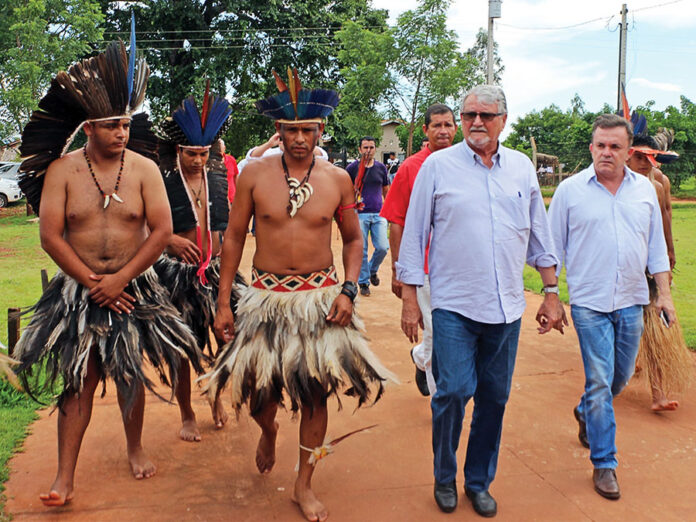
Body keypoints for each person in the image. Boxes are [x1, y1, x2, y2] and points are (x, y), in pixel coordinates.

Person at [203, 69, 396, 522]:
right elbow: (233, 237)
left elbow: (352, 240)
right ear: (279, 131)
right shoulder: (252, 174)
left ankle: (303, 483)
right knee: (258, 397)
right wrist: (223, 300)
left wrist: (350, 289)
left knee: (316, 395)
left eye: (308, 130)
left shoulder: (337, 180)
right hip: (265, 300)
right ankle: (268, 431)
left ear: (320, 131)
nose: (299, 139)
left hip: (319, 301)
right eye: (291, 130)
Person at [14, 37, 199, 506]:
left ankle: (135, 447)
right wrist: (94, 282)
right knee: (80, 377)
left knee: (129, 370)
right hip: (78, 292)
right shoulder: (61, 171)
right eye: (113, 125)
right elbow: (51, 236)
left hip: (134, 285)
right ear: (89, 127)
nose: (122, 132)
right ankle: (64, 477)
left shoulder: (143, 169)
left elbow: (161, 231)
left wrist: (120, 279)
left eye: (125, 124)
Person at [398, 85, 566, 517]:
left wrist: (550, 293)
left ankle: (478, 481)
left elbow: (539, 235)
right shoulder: (438, 167)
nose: (475, 122)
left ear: (503, 121)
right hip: (453, 304)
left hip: (507, 307)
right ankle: (443, 475)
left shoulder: (522, 169)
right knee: (453, 391)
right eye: (469, 113)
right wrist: (410, 300)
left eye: (486, 116)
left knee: (494, 397)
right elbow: (414, 236)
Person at [548, 113, 676, 500]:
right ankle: (605, 463)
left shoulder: (644, 191)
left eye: (615, 146)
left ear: (628, 150)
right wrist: (551, 295)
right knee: (601, 381)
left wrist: (664, 295)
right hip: (589, 302)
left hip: (633, 300)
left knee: (618, 378)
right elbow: (552, 248)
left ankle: (586, 412)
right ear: (591, 148)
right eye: (600, 145)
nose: (606, 152)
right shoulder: (570, 192)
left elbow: (655, 247)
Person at [154, 89, 245, 441]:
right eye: (191, 153)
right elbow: (144, 228)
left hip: (218, 272)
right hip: (177, 277)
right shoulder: (164, 181)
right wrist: (170, 240)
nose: (197, 160)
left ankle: (215, 399)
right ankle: (187, 414)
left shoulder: (218, 177)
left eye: (203, 153)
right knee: (182, 348)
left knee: (225, 339)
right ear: (179, 150)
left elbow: (230, 229)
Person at [381, 103, 458, 397]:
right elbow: (397, 222)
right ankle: (443, 401)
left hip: (458, 267)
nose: (443, 131)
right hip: (424, 266)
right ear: (425, 130)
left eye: (448, 125)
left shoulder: (464, 163)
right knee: (439, 333)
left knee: (452, 332)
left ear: (456, 128)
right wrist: (398, 270)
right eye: (436, 125)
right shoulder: (411, 167)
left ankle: (420, 357)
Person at [624, 119, 690, 411]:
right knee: (620, 330)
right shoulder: (613, 186)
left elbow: (665, 222)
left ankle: (658, 393)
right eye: (639, 156)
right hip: (620, 273)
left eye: (650, 157)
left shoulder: (659, 184)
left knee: (657, 331)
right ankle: (610, 379)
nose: (645, 163)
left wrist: (669, 258)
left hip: (650, 269)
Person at [345, 137, 390, 297]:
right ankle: (364, 282)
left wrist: (390, 208)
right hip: (360, 214)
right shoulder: (352, 168)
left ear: (375, 149)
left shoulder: (381, 168)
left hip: (379, 213)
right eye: (365, 147)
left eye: (371, 147)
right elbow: (346, 189)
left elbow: (385, 188)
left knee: (383, 247)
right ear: (359, 149)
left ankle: (372, 270)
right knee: (362, 249)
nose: (368, 150)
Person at [219, 138, 239, 203]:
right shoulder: (209, 162)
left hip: (233, 199)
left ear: (224, 148)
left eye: (220, 148)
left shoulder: (231, 159)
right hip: (219, 200)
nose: (218, 150)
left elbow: (236, 176)